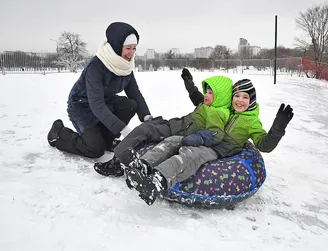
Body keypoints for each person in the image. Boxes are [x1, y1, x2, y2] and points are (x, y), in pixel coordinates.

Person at [124, 69, 294, 205]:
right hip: (206, 138)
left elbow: (264, 145)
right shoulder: (226, 108)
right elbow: (203, 101)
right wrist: (191, 87)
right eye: (237, 96)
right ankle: (143, 165)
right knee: (172, 141)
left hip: (217, 150)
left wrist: (277, 128)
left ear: (252, 101)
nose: (240, 100)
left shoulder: (252, 122)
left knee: (190, 155)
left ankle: (158, 181)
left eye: (245, 97)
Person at [93, 74, 233, 180]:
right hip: (175, 125)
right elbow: (198, 99)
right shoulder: (209, 105)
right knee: (149, 125)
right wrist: (190, 86)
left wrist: (198, 138)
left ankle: (117, 163)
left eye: (210, 93)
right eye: (207, 92)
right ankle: (124, 150)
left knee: (145, 129)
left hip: (179, 132)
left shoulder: (217, 113)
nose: (206, 96)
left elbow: (216, 133)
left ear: (220, 96)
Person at [47, 22, 152, 158]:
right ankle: (59, 133)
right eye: (128, 48)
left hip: (105, 102)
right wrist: (122, 129)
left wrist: (147, 117)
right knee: (95, 149)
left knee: (130, 105)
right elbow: (96, 104)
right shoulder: (96, 66)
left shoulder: (125, 66)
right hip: (82, 106)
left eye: (134, 48)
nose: (131, 53)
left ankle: (108, 141)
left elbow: (135, 93)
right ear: (117, 45)